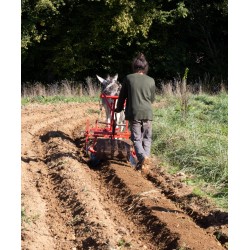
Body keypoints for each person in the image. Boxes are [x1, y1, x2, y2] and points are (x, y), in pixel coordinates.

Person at [115, 53, 155, 170]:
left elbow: (122, 97)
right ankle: (145, 161)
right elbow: (152, 99)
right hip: (148, 113)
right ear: (145, 67)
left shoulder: (128, 78)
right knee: (147, 138)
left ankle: (143, 158)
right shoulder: (151, 80)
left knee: (136, 138)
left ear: (134, 66)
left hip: (134, 113)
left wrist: (118, 108)